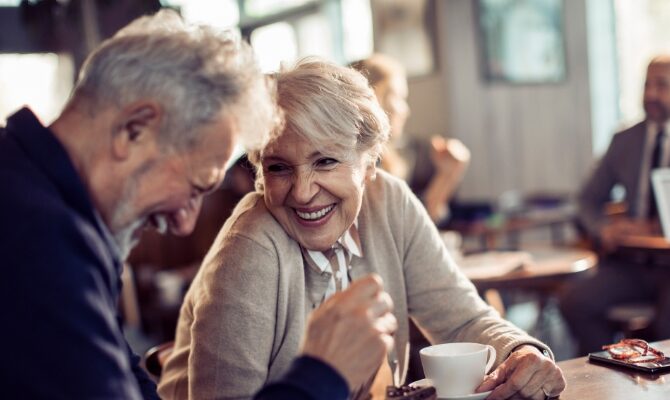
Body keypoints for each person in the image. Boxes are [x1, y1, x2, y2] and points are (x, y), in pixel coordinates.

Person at [0, 11, 395, 400]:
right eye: (194, 187)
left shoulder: (44, 199)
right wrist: (323, 373)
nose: (185, 223)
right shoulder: (37, 242)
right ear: (135, 130)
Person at [159, 58, 566, 400]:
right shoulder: (250, 247)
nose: (302, 193)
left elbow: (459, 318)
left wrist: (521, 350)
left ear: (370, 164)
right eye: (279, 167)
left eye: (325, 162)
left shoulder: (390, 201)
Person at [560, 55, 670, 355]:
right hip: (630, 263)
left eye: (662, 85)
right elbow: (586, 201)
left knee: (666, 326)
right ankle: (613, 370)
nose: (651, 94)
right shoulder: (625, 140)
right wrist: (603, 228)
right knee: (575, 301)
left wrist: (655, 227)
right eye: (647, 84)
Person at [352, 53, 470, 224]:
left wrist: (447, 174)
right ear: (373, 99)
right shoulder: (362, 166)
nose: (405, 110)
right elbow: (404, 231)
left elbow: (415, 229)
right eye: (398, 97)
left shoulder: (390, 160)